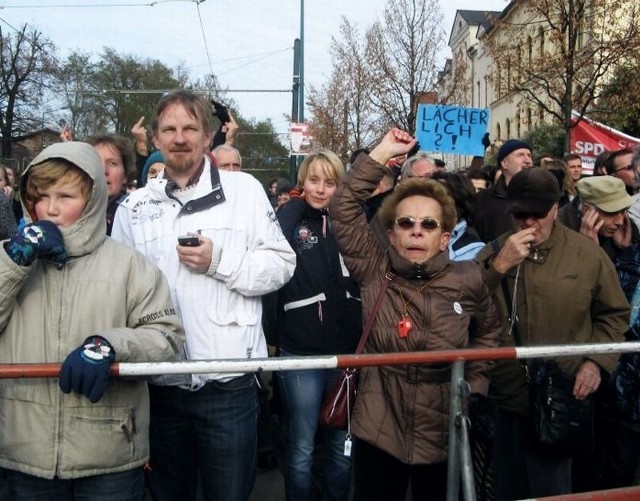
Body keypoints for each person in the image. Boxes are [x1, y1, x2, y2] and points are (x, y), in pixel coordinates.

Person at [111, 90, 296, 501]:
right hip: (159, 387)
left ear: (207, 136)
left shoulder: (244, 191)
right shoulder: (133, 208)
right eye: (170, 129)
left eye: (190, 128)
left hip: (228, 386)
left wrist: (219, 261)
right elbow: (116, 292)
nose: (180, 138)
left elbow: (283, 265)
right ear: (156, 139)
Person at [0, 141, 184, 500]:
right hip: (25, 452)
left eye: (66, 196)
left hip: (110, 454)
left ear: (93, 199)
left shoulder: (130, 265)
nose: (50, 208)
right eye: (41, 196)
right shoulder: (8, 257)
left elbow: (166, 338)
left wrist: (111, 346)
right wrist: (14, 264)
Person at [330, 128, 501, 501]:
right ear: (391, 234)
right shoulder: (374, 269)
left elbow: (489, 333)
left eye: (428, 224)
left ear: (444, 237)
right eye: (406, 223)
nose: (416, 232)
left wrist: (474, 387)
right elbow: (342, 208)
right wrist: (381, 154)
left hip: (443, 423)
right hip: (379, 420)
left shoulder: (468, 278)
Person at [475, 168, 629, 500]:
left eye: (538, 214)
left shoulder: (587, 254)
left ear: (556, 208)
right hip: (508, 399)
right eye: (520, 214)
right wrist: (498, 267)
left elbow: (615, 315)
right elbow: (462, 310)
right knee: (506, 488)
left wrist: (595, 362)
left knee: (553, 489)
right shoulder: (492, 253)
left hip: (563, 396)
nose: (529, 223)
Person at [276, 149, 361, 501]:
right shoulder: (291, 218)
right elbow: (273, 240)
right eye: (314, 180)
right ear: (302, 182)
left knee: (341, 449)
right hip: (301, 352)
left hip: (346, 353)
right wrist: (294, 205)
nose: (321, 189)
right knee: (301, 448)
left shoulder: (350, 221)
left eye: (330, 182)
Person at [475, 139, 533, 242]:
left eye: (529, 155)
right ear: (504, 163)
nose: (527, 160)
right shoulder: (483, 199)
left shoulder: (541, 195)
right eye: (520, 155)